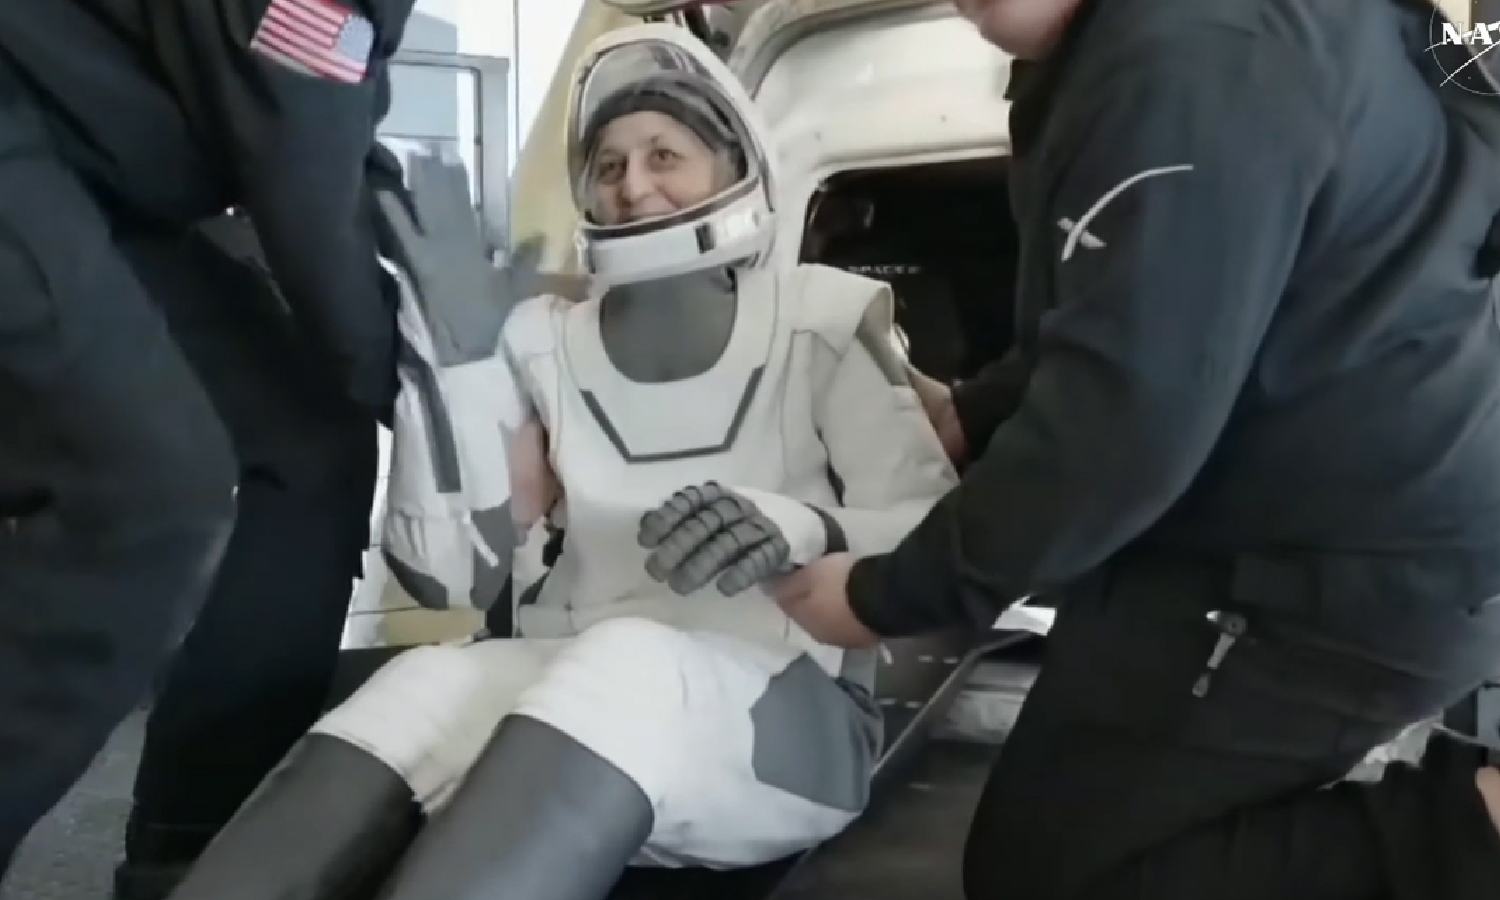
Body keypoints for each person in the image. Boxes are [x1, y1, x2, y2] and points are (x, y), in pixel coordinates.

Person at [163, 22, 958, 900]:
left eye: (664, 156)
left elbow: (938, 541)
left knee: (627, 659)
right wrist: (452, 372)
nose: (633, 185)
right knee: (424, 681)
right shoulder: (539, 341)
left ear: (735, 170)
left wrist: (805, 527)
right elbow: (447, 577)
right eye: (609, 166)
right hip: (572, 686)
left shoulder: (823, 320)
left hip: (789, 714)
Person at [773, 0, 1500, 897]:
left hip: (1329, 573)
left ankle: (1478, 830)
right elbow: (1142, 304)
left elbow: (1122, 424)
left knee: (1060, 875)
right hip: (1332, 529)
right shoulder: (1203, 37)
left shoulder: (1186, 58)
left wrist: (885, 594)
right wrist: (975, 413)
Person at [0, 0, 414, 889]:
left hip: (92, 176)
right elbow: (302, 176)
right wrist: (438, 401)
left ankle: (197, 861)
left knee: (306, 445)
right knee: (143, 486)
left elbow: (330, 130)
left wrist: (444, 300)